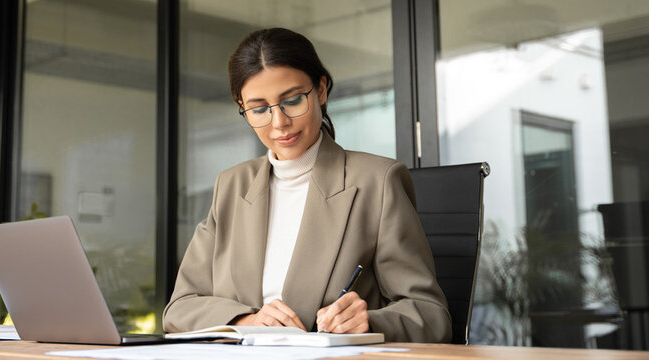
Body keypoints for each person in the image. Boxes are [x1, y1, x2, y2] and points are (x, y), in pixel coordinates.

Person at [162, 27, 451, 343]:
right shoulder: (231, 186)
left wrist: (368, 321)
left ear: (321, 90)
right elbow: (180, 308)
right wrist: (245, 320)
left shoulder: (378, 182)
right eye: (259, 109)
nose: (279, 123)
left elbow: (431, 315)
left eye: (293, 100)